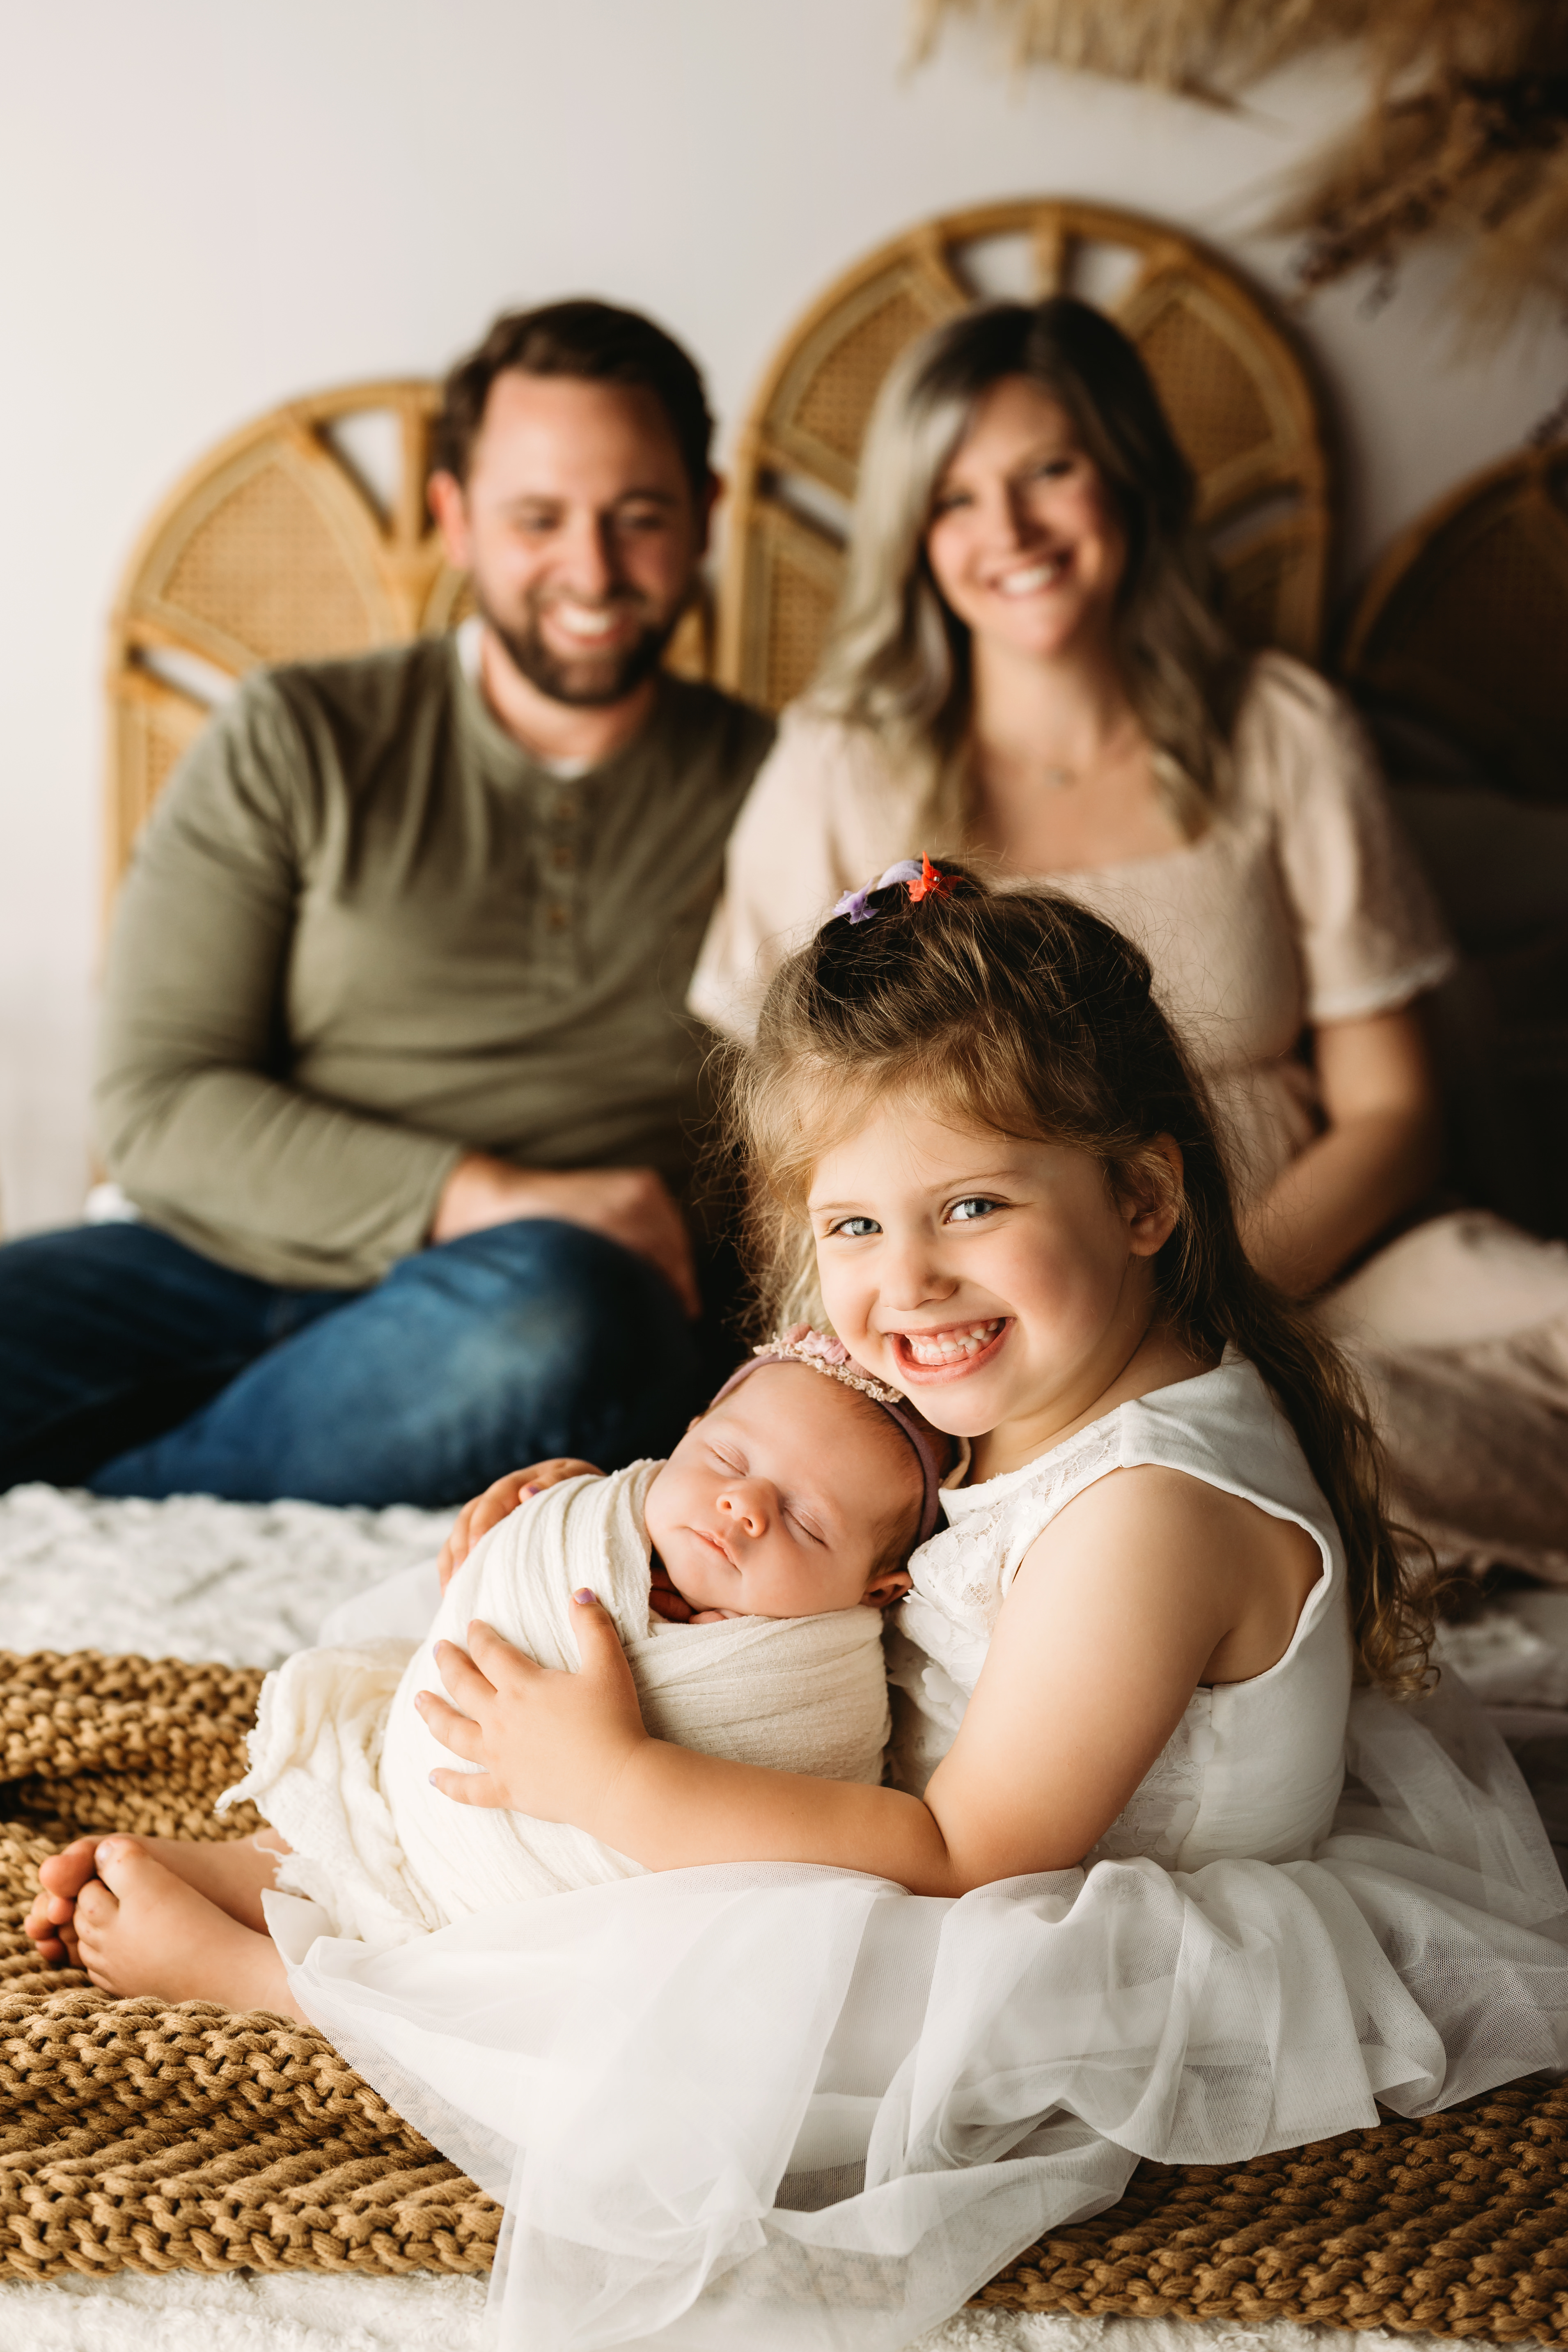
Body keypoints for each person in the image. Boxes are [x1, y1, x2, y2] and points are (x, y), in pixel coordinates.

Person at [36, 876, 1568, 2352]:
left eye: (972, 1204)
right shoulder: (1016, 1377)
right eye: (853, 1229)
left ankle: (289, 1982)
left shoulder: (1146, 1518)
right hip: (946, 1831)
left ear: (1145, 1196)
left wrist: (621, 1784)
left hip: (1040, 1929)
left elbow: (966, 1858)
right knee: (590, 1708)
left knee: (713, 1994)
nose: (907, 1285)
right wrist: (607, 1504)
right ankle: (331, 1867)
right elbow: (796, 1470)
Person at [690, 296, 1568, 1585]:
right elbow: (786, 1139)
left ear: (1131, 486)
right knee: (1309, 1423)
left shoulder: (1277, 729)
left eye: (1051, 472)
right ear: (913, 538)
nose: (1012, 532)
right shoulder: (835, 765)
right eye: (957, 498)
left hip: (1323, 1257)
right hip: (1010, 1291)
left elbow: (1395, 1108)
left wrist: (1215, 1280)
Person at [0, 299, 775, 1508]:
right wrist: (481, 1191)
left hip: (524, 1308)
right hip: (209, 1264)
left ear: (705, 519)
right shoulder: (297, 734)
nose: (591, 569)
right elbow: (157, 1106)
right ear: (454, 519)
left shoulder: (781, 784)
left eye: (639, 517)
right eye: (538, 519)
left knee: (570, 1319)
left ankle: (119, 1503)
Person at [27, 1334, 946, 1977]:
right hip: (428, 1817)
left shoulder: (816, 1688)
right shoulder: (602, 1521)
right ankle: (260, 1871)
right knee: (352, 1837)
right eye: (723, 1454)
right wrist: (530, 1536)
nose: (740, 1504)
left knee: (525, 2011)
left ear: (877, 1591)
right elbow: (482, 1620)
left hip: (570, 1944)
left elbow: (786, 1858)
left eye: (805, 1522)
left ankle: (242, 1976)